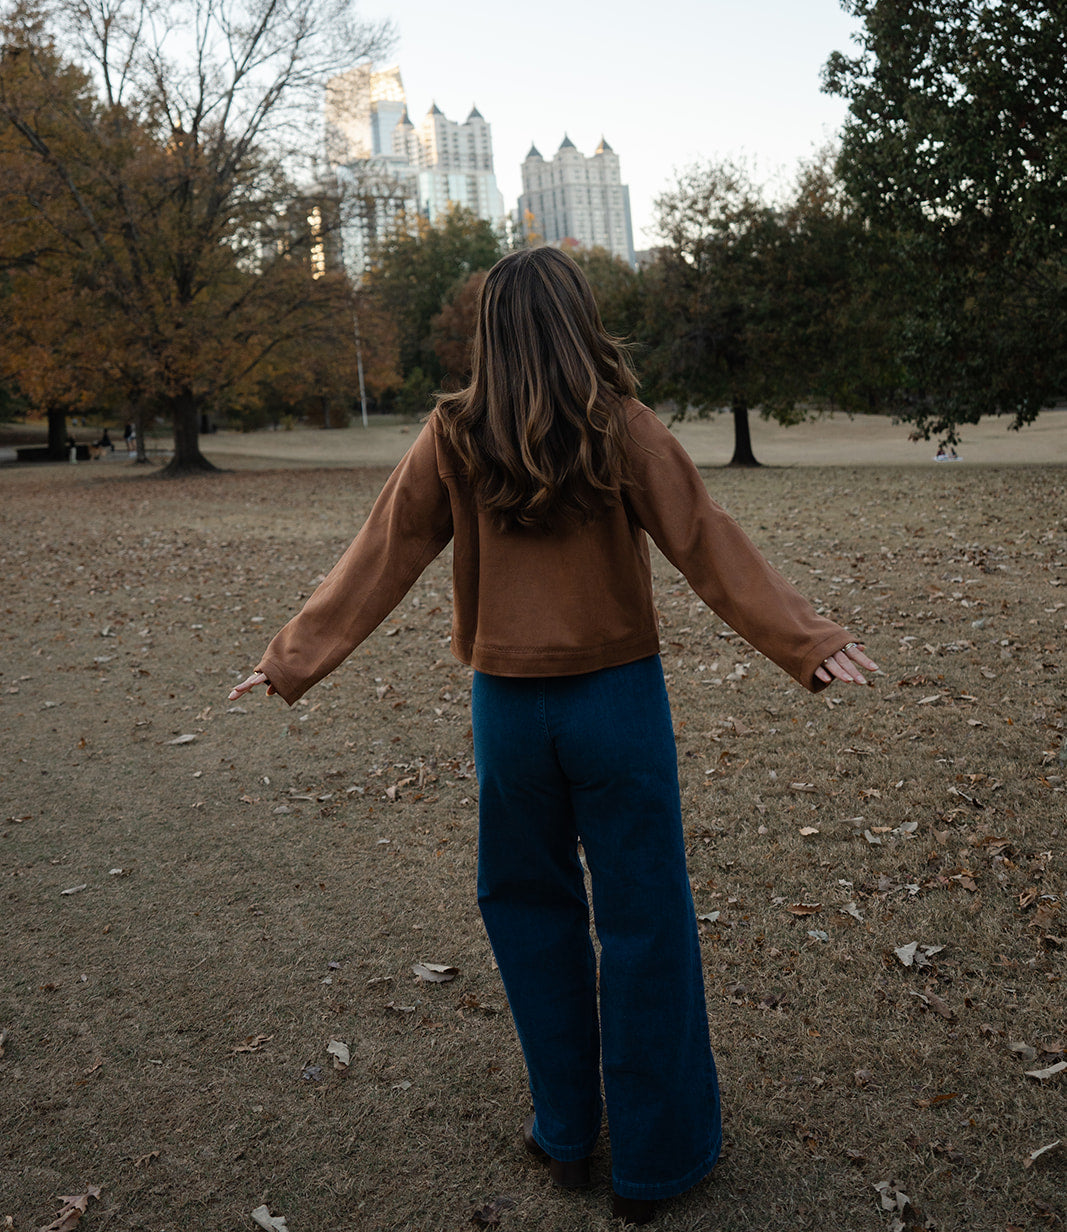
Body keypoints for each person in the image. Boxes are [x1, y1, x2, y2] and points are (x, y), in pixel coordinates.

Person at [228, 246, 877, 1224]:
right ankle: (655, 1160)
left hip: (509, 716)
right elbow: (705, 538)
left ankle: (567, 1134)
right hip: (615, 705)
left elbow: (382, 550)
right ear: (580, 320)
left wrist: (291, 658)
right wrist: (807, 639)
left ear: (488, 331)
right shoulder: (620, 425)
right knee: (645, 920)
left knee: (530, 913)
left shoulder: (455, 431)